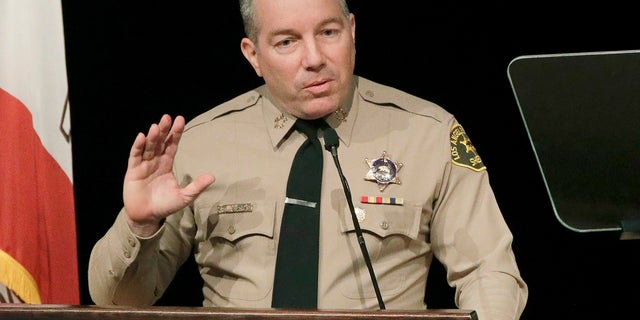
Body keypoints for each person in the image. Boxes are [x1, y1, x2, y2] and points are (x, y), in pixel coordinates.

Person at [88, 0, 528, 319]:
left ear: (352, 30)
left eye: (328, 32)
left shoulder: (427, 134)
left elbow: (488, 273)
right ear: (253, 55)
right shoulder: (200, 143)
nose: (314, 59)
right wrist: (139, 224)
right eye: (286, 42)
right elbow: (118, 303)